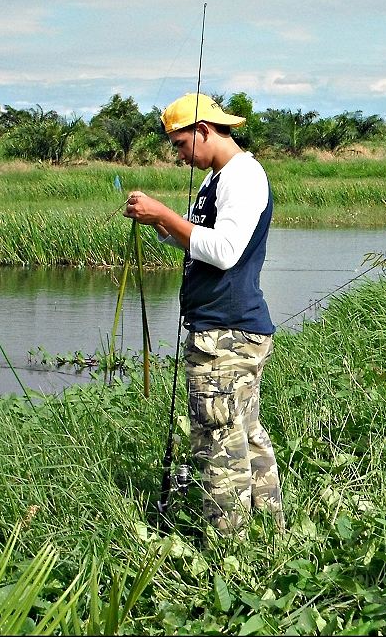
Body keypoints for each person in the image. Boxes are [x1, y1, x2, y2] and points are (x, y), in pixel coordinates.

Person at [124, 92, 284, 537]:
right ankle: (270, 535)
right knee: (245, 432)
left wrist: (165, 213)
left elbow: (225, 251)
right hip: (226, 329)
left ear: (204, 131)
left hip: (226, 334)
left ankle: (227, 550)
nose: (179, 155)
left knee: (217, 442)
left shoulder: (242, 177)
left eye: (179, 144)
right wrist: (162, 224)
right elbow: (200, 246)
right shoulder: (216, 179)